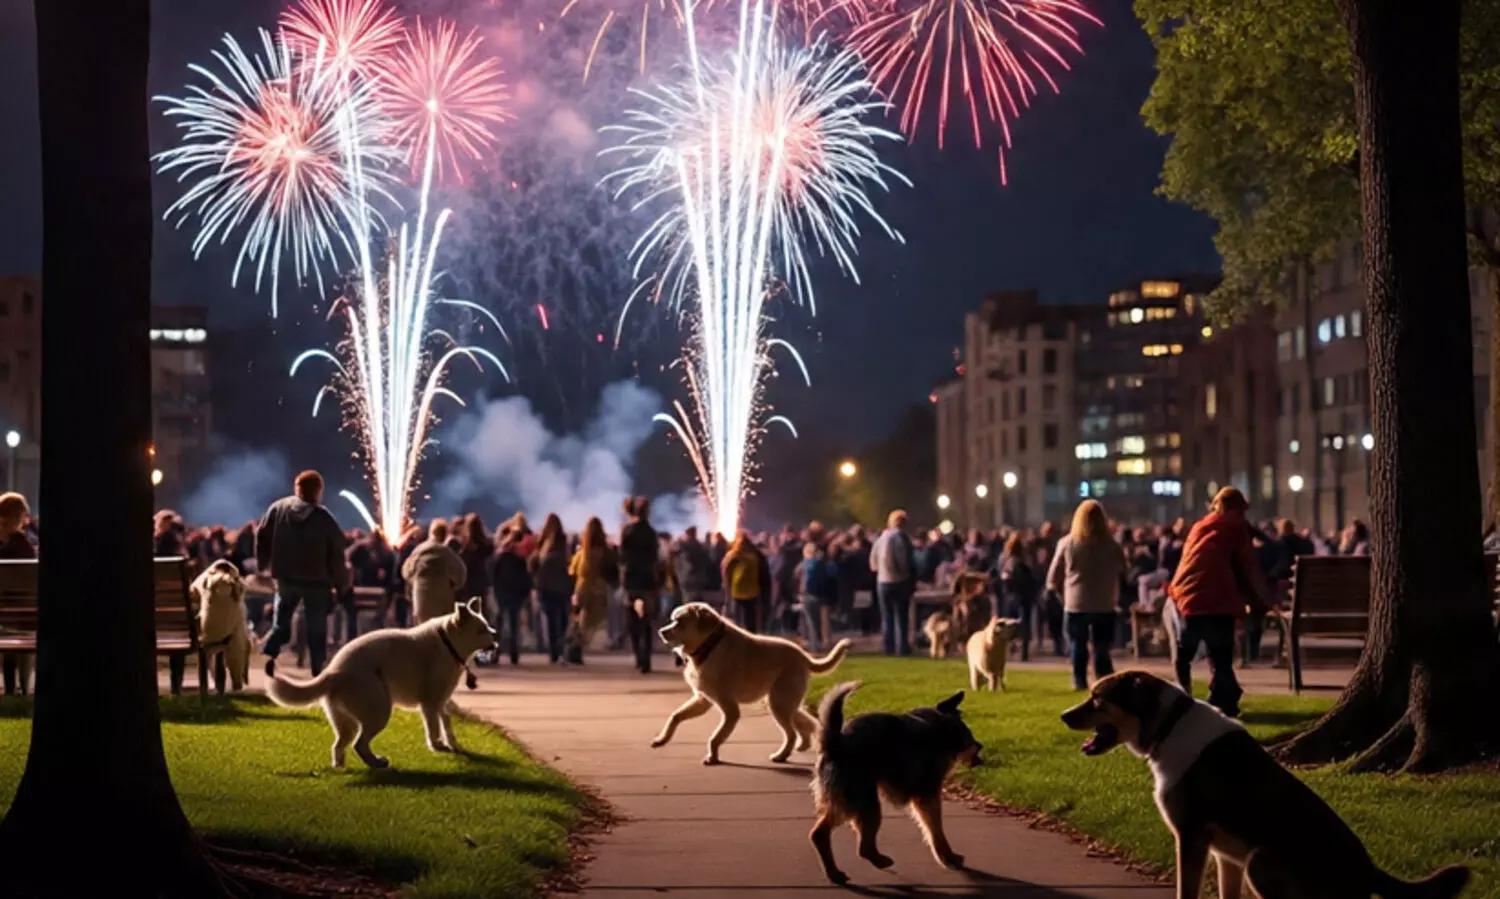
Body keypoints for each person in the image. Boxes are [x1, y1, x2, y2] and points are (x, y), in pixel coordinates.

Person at [1168, 486, 1268, 717]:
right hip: (1218, 600)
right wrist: (1260, 598)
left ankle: (1187, 699)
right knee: (1221, 654)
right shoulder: (1237, 528)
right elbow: (1248, 566)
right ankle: (1225, 700)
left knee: (1184, 655)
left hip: (1187, 598)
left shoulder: (1200, 527)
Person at [256, 470, 350, 678]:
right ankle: (318, 668)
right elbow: (336, 554)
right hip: (316, 580)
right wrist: (341, 584)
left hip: (285, 577)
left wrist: (264, 564)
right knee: (317, 627)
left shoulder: (278, 509)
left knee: (281, 624)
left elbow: (262, 535)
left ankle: (269, 654)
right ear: (317, 491)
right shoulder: (324, 518)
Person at [1046, 499, 1127, 690]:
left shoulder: (1067, 544)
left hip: (1076, 603)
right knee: (1101, 646)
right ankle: (1104, 680)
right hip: (1105, 603)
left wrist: (1063, 596)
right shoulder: (1113, 546)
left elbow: (1052, 579)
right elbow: (1124, 571)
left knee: (1077, 644)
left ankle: (1079, 679)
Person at [619, 496, 662, 673]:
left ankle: (638, 655)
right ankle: (647, 658)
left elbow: (622, 556)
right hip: (648, 580)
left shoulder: (628, 530)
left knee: (633, 619)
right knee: (646, 621)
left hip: (632, 579)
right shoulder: (651, 532)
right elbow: (655, 557)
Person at [0, 492, 36, 695]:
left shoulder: (3, 548)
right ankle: (24, 686)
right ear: (21, 518)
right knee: (21, 631)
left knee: (8, 631)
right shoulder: (26, 548)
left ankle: (9, 688)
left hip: (4, 622)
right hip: (26, 620)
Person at [402, 519, 468, 625]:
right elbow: (461, 576)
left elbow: (405, 572)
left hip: (420, 603)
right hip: (442, 605)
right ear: (445, 534)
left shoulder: (417, 552)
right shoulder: (447, 554)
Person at [870, 510, 916, 656]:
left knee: (887, 616)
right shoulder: (902, 538)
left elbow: (873, 562)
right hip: (900, 580)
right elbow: (905, 560)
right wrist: (906, 573)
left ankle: (888, 647)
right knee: (901, 616)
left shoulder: (881, 538)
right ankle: (902, 647)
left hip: (882, 581)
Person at [530, 514, 573, 664]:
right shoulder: (563, 542)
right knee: (562, 619)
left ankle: (553, 651)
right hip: (562, 586)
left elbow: (533, 564)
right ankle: (560, 649)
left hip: (545, 586)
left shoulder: (541, 542)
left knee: (550, 621)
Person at [569, 516, 612, 662]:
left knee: (579, 620)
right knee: (593, 621)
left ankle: (575, 648)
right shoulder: (605, 553)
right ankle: (579, 645)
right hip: (599, 589)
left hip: (582, 588)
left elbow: (572, 571)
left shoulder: (582, 553)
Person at [489, 530, 533, 666]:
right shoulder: (520, 559)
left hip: (501, 592)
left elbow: (493, 575)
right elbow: (525, 578)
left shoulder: (500, 556)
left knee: (499, 624)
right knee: (514, 623)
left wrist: (494, 590)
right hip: (515, 594)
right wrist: (525, 594)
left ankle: (495, 653)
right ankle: (514, 653)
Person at [997, 532, 1039, 661]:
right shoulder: (1023, 562)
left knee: (1010, 625)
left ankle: (1010, 649)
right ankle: (1023, 652)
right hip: (1023, 596)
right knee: (1024, 625)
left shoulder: (1005, 560)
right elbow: (1029, 579)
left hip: (1010, 596)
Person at [721, 530, 770, 633]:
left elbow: (726, 571)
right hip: (752, 591)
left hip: (736, 591)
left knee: (736, 617)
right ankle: (750, 635)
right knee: (750, 618)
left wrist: (727, 586)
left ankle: (737, 635)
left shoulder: (732, 555)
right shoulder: (756, 554)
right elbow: (764, 574)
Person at [795, 540, 836, 653]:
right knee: (816, 623)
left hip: (805, 596)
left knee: (810, 623)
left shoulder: (803, 564)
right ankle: (816, 646)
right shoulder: (820, 564)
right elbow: (826, 579)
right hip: (817, 596)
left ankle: (813, 646)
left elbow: (795, 577)